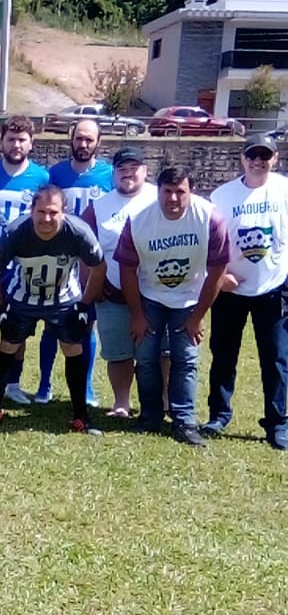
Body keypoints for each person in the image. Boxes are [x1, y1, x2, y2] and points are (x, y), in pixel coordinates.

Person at [114, 164, 230, 446]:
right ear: (158, 192)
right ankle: (150, 417)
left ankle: (184, 421)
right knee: (145, 357)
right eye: (167, 191)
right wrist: (137, 315)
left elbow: (218, 269)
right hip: (150, 296)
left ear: (192, 191)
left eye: (180, 192)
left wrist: (198, 316)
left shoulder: (210, 218)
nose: (173, 199)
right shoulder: (138, 219)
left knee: (186, 359)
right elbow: (127, 268)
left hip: (190, 297)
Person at [0, 184, 106, 435]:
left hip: (63, 298)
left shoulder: (78, 231)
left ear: (64, 212)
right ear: (32, 210)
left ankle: (81, 416)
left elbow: (99, 267)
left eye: (53, 212)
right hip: (23, 298)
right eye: (41, 212)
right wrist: (0, 308)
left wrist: (84, 305)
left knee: (73, 348)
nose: (47, 218)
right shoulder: (16, 231)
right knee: (8, 345)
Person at [202, 134, 288, 449]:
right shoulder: (223, 195)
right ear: (242, 158)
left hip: (274, 285)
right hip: (230, 287)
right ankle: (218, 414)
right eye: (252, 155)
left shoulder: (284, 190)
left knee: (276, 358)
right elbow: (210, 240)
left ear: (275, 158)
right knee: (224, 354)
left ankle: (277, 423)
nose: (258, 161)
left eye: (265, 156)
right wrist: (220, 276)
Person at [0, 115, 49, 404]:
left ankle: (13, 384)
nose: (16, 145)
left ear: (31, 143)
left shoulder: (42, 178)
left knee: (18, 328)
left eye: (22, 140)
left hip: (23, 267)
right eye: (11, 139)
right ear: (1, 141)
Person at [38, 119, 113, 404]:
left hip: (91, 261)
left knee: (86, 323)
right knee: (51, 323)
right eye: (79, 138)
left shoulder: (108, 175)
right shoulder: (56, 174)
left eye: (89, 139)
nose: (83, 144)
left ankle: (86, 387)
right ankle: (44, 385)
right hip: (59, 260)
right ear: (71, 139)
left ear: (98, 142)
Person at [81, 146, 157, 417]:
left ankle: (162, 402)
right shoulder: (99, 207)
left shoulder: (159, 198)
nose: (128, 174)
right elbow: (84, 248)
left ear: (145, 171)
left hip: (155, 292)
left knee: (159, 352)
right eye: (122, 169)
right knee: (118, 352)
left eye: (134, 169)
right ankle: (121, 402)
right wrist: (91, 286)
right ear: (113, 174)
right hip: (111, 292)